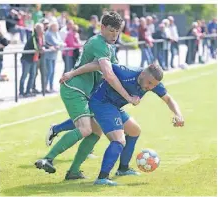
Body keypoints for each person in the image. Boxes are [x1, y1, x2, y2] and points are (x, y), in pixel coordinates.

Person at [35, 11, 139, 180]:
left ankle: (74, 172)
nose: (115, 34)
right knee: (85, 128)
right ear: (102, 27)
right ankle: (47, 159)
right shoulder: (99, 43)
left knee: (95, 133)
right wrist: (128, 97)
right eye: (111, 30)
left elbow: (112, 69)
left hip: (87, 92)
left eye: (117, 31)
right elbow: (109, 74)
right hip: (74, 90)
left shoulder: (108, 47)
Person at [42, 62, 184, 186]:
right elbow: (98, 64)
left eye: (153, 85)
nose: (149, 87)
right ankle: (102, 178)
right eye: (148, 83)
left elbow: (168, 99)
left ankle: (123, 168)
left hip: (114, 107)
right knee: (118, 139)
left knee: (134, 130)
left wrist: (178, 114)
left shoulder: (153, 83)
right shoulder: (125, 71)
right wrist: (72, 73)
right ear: (142, 74)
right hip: (101, 103)